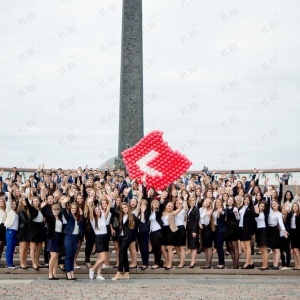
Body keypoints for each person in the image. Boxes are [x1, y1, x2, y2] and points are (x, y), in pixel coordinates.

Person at [112, 202, 143, 280]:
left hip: (128, 237)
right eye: (122, 208)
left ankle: (118, 272)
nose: (124, 209)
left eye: (125, 207)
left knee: (121, 252)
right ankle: (126, 273)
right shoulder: (121, 216)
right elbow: (112, 210)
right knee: (124, 254)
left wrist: (133, 233)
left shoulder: (132, 216)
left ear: (128, 207)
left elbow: (140, 223)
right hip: (121, 237)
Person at [61, 197, 83, 280]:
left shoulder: (78, 217)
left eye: (75, 208)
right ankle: (68, 273)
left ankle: (72, 272)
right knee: (69, 255)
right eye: (72, 208)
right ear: (70, 209)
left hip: (76, 237)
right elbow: (63, 211)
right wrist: (64, 203)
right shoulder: (69, 216)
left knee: (73, 255)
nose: (74, 209)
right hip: (69, 237)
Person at [88, 204, 111, 280]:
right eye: (96, 210)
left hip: (105, 237)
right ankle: (92, 269)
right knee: (103, 258)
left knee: (101, 258)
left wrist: (109, 199)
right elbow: (90, 210)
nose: (98, 211)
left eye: (98, 209)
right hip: (99, 238)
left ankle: (98, 274)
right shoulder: (93, 219)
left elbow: (108, 209)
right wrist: (89, 203)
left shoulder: (103, 216)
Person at [41, 203, 63, 279]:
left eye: (57, 210)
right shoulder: (50, 217)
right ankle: (50, 273)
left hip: (59, 237)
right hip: (52, 237)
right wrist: (43, 206)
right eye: (54, 210)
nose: (56, 211)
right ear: (52, 210)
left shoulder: (60, 218)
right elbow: (44, 213)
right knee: (53, 256)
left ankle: (54, 273)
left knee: (57, 256)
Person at [17, 196, 38, 269]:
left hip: (28, 230)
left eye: (26, 201)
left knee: (26, 248)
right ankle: (21, 263)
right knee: (22, 248)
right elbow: (25, 221)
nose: (25, 202)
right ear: (21, 202)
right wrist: (32, 218)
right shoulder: (20, 211)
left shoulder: (28, 210)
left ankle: (25, 262)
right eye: (23, 200)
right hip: (22, 231)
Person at [267, 200, 288, 269]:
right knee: (273, 249)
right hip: (269, 230)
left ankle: (276, 265)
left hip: (275, 230)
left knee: (277, 249)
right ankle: (273, 263)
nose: (274, 205)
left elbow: (281, 223)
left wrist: (284, 231)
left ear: (278, 205)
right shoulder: (270, 211)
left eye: (275, 203)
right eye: (272, 204)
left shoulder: (279, 213)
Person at [161, 201, 182, 269]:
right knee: (162, 248)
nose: (170, 207)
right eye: (169, 206)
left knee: (169, 248)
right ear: (166, 206)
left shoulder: (173, 213)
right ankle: (167, 262)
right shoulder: (163, 213)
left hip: (170, 230)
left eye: (171, 206)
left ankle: (170, 264)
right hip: (163, 230)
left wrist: (181, 203)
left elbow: (179, 209)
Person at [238, 194, 255, 269]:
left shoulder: (251, 208)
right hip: (240, 228)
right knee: (242, 246)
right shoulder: (241, 208)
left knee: (247, 245)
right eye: (245, 199)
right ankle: (250, 261)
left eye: (248, 200)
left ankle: (247, 262)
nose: (246, 201)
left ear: (250, 201)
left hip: (247, 228)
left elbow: (253, 220)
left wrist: (253, 231)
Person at [224, 196, 240, 269]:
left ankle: (236, 263)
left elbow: (238, 218)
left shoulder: (235, 208)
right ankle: (234, 263)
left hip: (233, 229)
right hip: (227, 229)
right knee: (230, 247)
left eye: (231, 200)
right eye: (229, 200)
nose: (230, 201)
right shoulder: (225, 208)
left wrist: (236, 214)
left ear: (233, 202)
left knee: (235, 247)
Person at [149, 199, 163, 269]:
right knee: (154, 247)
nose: (155, 204)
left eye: (156, 204)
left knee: (157, 247)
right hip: (152, 231)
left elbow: (162, 204)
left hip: (158, 230)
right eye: (153, 203)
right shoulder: (150, 212)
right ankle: (158, 261)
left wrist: (162, 198)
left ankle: (157, 263)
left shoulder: (159, 212)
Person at [254, 202, 269, 270]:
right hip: (258, 230)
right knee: (261, 249)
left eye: (263, 206)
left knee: (264, 249)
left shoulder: (265, 213)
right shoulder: (255, 213)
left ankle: (266, 265)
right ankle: (263, 264)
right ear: (258, 206)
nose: (262, 207)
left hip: (264, 230)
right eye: (261, 206)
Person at [199, 198, 214, 269]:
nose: (207, 203)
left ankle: (209, 263)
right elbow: (198, 218)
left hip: (207, 228)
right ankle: (206, 262)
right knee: (205, 247)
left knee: (209, 247)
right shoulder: (200, 209)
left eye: (209, 202)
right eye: (206, 201)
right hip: (202, 229)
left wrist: (207, 215)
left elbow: (207, 222)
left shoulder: (210, 210)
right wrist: (199, 223)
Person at [186, 195, 200, 268]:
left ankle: (192, 262)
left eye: (193, 200)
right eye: (191, 201)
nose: (192, 202)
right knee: (191, 245)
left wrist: (194, 230)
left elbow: (196, 220)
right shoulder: (189, 209)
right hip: (189, 228)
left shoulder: (196, 209)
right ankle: (194, 260)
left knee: (194, 246)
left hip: (193, 229)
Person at [213, 198, 226, 269]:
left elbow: (223, 214)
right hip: (214, 229)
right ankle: (220, 262)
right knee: (217, 247)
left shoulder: (222, 210)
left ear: (221, 203)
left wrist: (221, 212)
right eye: (216, 202)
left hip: (220, 231)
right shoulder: (214, 211)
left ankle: (221, 263)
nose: (218, 203)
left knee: (220, 247)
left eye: (219, 202)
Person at [174, 197, 188, 268]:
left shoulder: (182, 211)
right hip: (174, 229)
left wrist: (183, 201)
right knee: (176, 247)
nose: (178, 204)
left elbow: (186, 208)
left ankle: (182, 263)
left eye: (179, 203)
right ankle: (181, 260)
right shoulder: (173, 211)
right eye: (177, 203)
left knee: (182, 247)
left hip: (181, 228)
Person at [286, 202, 300, 270]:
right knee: (293, 250)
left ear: (298, 208)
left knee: (296, 250)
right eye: (294, 206)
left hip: (297, 233)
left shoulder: (299, 215)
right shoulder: (291, 215)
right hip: (292, 233)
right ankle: (295, 265)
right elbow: (287, 221)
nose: (295, 207)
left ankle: (299, 265)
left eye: (296, 206)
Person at [0, 195, 7, 266]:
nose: (1, 202)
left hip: (4, 228)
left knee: (2, 246)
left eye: (2, 201)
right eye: (0, 201)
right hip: (0, 226)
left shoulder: (5, 210)